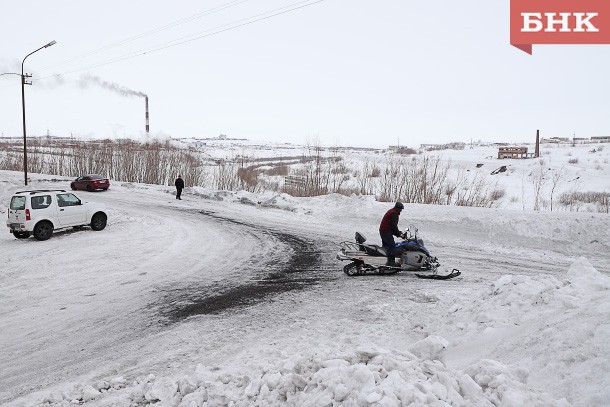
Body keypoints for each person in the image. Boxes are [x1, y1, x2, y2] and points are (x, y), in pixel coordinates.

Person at [379, 202, 405, 266]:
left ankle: (384, 260)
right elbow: (394, 226)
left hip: (383, 231)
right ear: (398, 208)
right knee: (392, 246)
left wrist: (399, 233)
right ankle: (391, 262)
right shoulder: (394, 214)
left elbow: (391, 226)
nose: (401, 211)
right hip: (386, 232)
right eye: (401, 209)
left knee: (386, 247)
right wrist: (399, 234)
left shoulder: (391, 211)